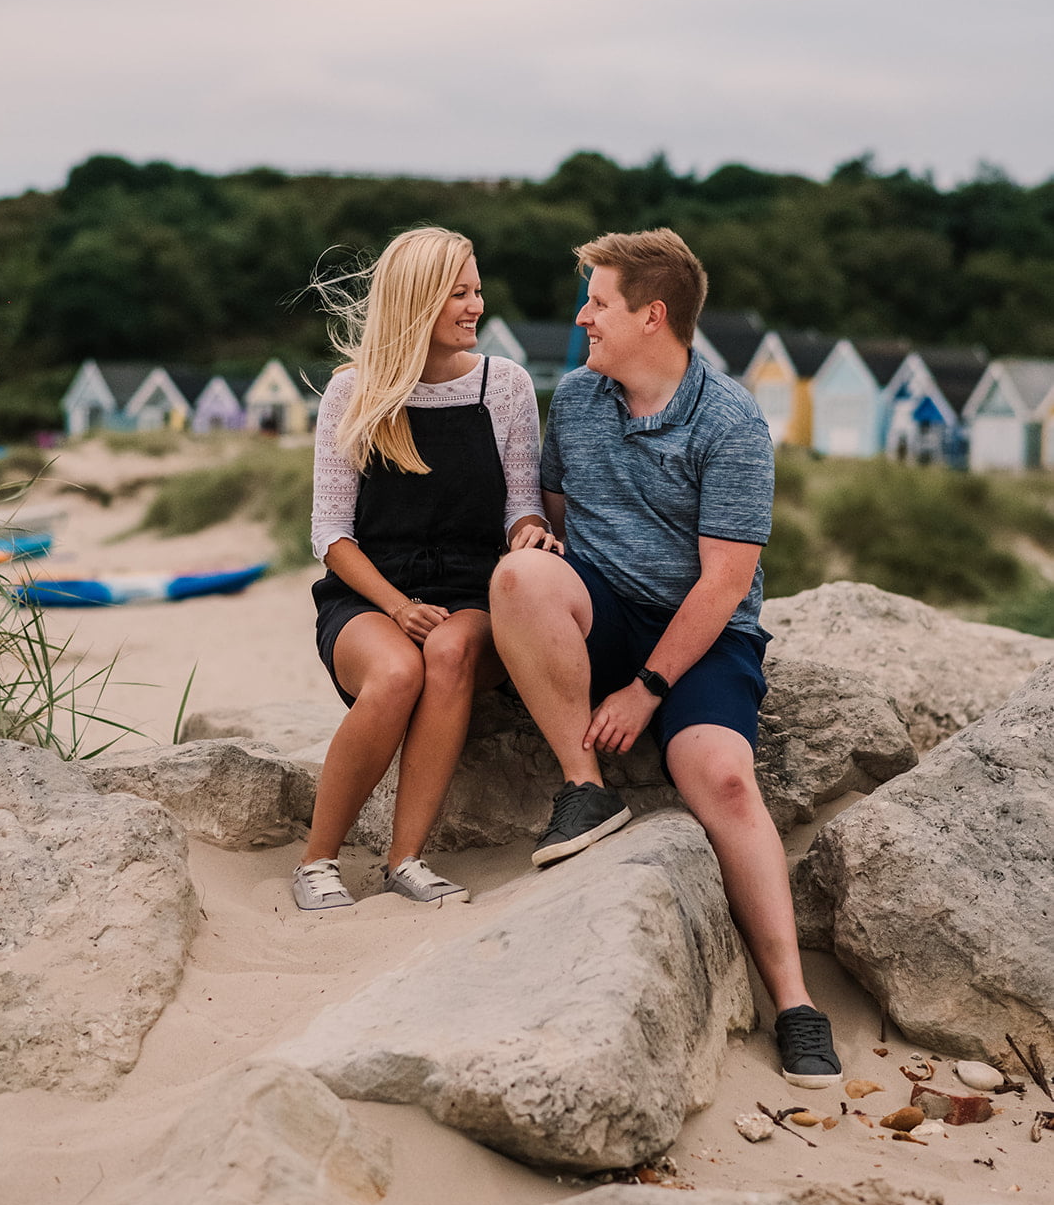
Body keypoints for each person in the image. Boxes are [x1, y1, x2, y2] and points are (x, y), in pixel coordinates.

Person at [490, 228, 842, 1087]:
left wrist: (648, 692)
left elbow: (725, 584)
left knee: (718, 775)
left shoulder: (729, 423)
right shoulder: (575, 397)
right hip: (606, 607)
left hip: (703, 631)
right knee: (519, 577)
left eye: (599, 304)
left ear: (652, 317)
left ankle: (794, 1003)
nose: (584, 319)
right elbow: (555, 502)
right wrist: (535, 532)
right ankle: (585, 789)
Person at [296, 226, 550, 912]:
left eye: (475, 290)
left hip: (473, 594)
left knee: (445, 654)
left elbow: (523, 506)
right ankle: (317, 862)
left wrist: (531, 535)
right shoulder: (352, 392)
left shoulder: (506, 387)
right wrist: (396, 604)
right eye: (458, 294)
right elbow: (329, 533)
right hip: (367, 595)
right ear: (417, 302)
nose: (476, 305)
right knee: (397, 670)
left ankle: (404, 860)